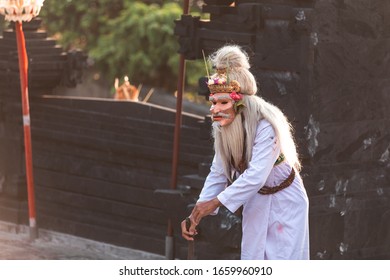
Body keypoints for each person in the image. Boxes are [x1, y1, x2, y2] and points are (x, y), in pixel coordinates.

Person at [181, 45, 310, 260]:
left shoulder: (266, 124)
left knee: (284, 260)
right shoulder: (223, 126)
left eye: (224, 102)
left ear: (239, 103)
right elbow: (218, 171)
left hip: (285, 201)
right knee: (253, 260)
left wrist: (216, 202)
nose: (216, 109)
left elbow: (256, 175)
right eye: (214, 102)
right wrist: (197, 213)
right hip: (257, 200)